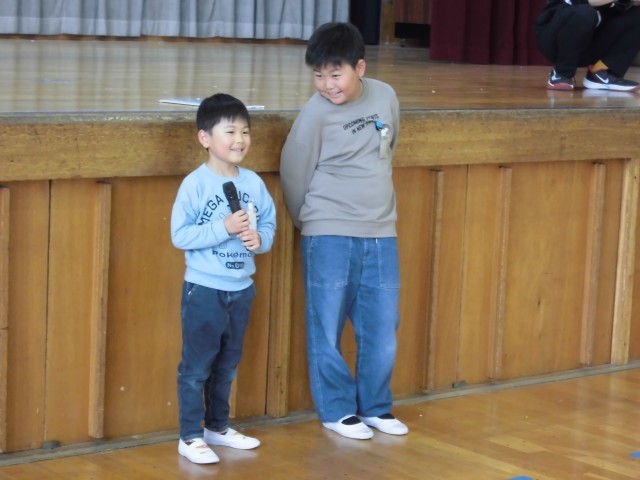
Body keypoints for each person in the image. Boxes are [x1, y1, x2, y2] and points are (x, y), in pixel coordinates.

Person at [279, 22, 408, 440]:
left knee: (382, 325)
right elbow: (293, 172)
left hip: (381, 230)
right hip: (328, 231)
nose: (326, 85)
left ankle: (375, 407)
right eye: (318, 75)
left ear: (360, 68)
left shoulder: (385, 96)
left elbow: (388, 146)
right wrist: (312, 222)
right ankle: (336, 410)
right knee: (326, 324)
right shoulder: (316, 113)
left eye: (336, 74)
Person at [171, 93, 276, 464]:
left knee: (227, 364)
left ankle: (217, 427)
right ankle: (189, 435)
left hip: (241, 289)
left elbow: (268, 224)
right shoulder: (195, 184)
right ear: (205, 138)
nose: (239, 139)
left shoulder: (254, 183)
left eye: (245, 131)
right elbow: (180, 235)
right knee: (196, 368)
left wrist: (260, 239)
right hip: (204, 290)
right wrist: (224, 227)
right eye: (230, 131)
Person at [535, 0, 640, 91]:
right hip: (556, 39)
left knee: (635, 12)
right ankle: (561, 73)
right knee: (584, 12)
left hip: (591, 41)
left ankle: (603, 73)